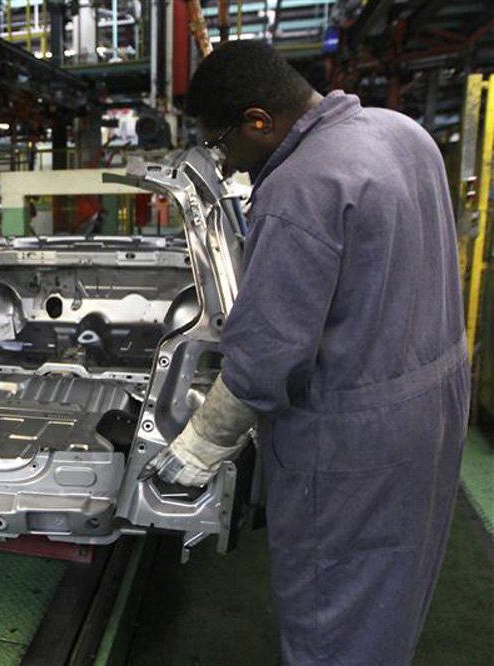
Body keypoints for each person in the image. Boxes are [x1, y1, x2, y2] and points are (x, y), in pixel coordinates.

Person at [144, 41, 469, 664]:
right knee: (390, 589)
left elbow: (266, 358)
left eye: (223, 145)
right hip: (431, 407)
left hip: (354, 443)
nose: (228, 163)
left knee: (333, 607)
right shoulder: (402, 132)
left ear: (259, 121)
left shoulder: (300, 187)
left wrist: (195, 451)